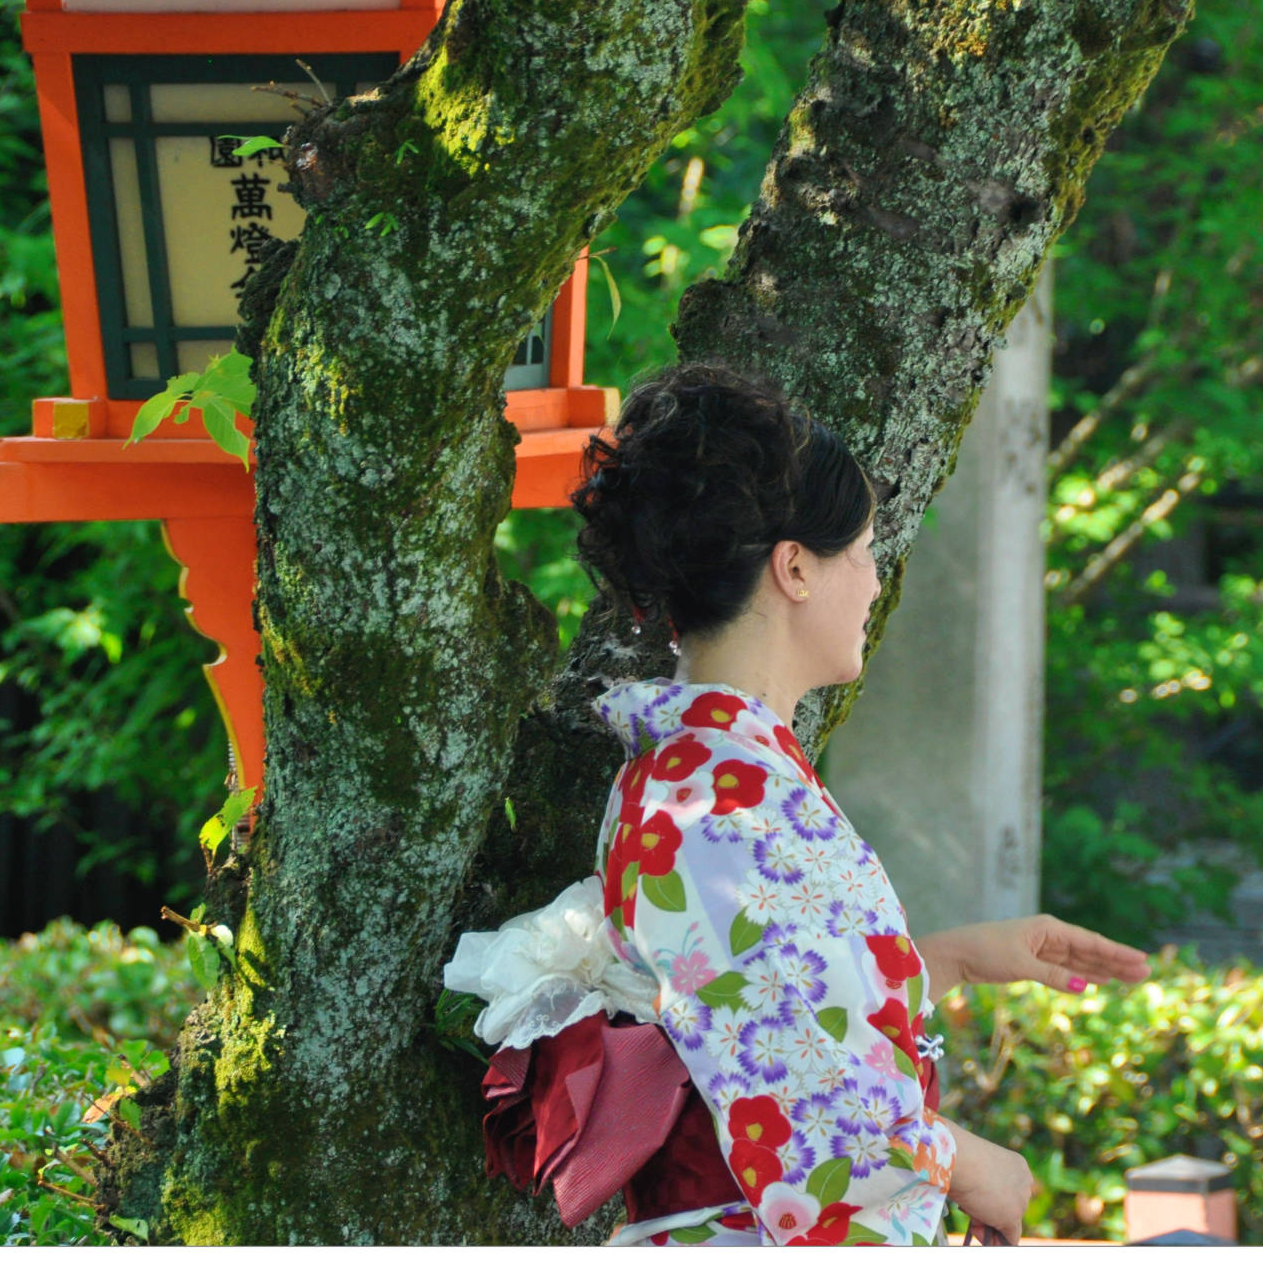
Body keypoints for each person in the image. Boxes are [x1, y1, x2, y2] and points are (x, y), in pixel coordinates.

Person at [445, 364, 1151, 1246]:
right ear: (795, 570)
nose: (872, 580)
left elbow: (757, 1004)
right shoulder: (710, 797)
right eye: (860, 551)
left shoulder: (712, 772)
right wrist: (970, 1163)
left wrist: (949, 960)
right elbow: (801, 1097)